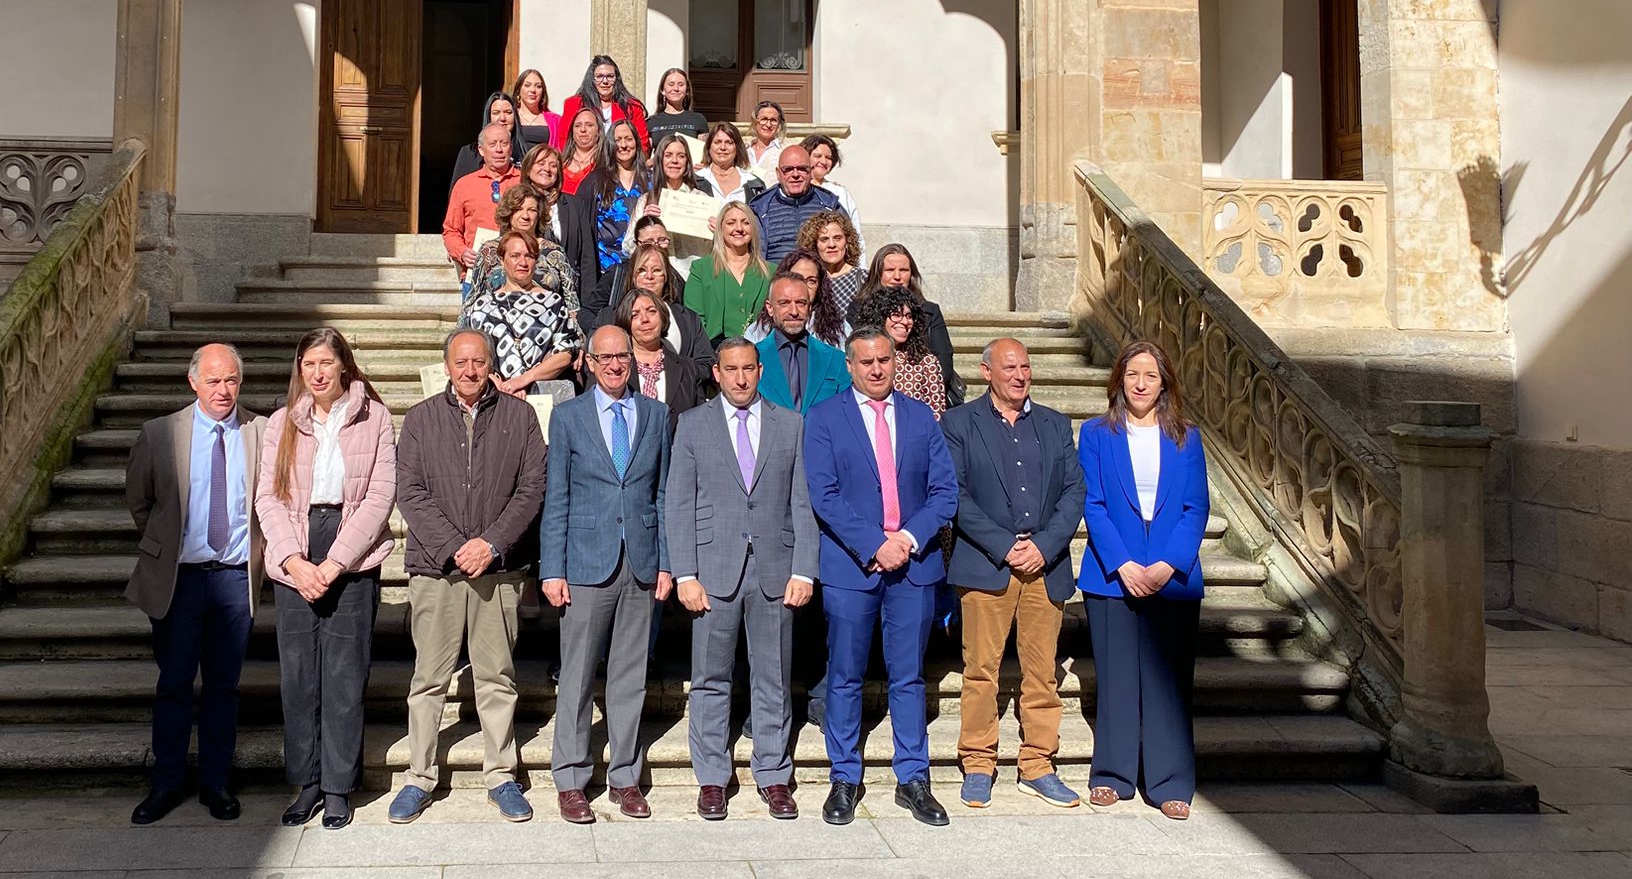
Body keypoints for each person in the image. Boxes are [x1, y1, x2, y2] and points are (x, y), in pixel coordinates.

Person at [387, 329, 547, 825]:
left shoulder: (519, 417)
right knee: (429, 677)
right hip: (437, 569)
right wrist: (456, 547)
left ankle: (501, 774)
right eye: (462, 362)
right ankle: (419, 776)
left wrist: (491, 544)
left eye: (479, 361)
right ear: (448, 366)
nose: (471, 370)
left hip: (498, 571)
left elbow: (532, 487)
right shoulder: (420, 418)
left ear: (491, 363)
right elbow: (409, 491)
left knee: (496, 677)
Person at [803, 326, 959, 827]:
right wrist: (874, 544)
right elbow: (824, 495)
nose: (876, 369)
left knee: (909, 677)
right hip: (853, 567)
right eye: (866, 361)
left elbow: (944, 492)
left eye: (884, 360)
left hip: (913, 568)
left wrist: (907, 541)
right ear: (849, 366)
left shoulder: (919, 417)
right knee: (845, 678)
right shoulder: (826, 418)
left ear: (895, 360)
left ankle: (913, 777)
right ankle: (844, 776)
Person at [666, 338, 817, 821]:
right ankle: (712, 776)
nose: (740, 378)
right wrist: (685, 573)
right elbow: (679, 504)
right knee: (711, 678)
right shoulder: (692, 425)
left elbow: (803, 502)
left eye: (748, 368)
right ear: (717, 373)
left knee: (773, 676)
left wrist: (803, 569)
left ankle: (773, 774)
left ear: (759, 370)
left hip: (775, 568)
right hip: (712, 570)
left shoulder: (790, 425)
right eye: (730, 369)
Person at [255, 328, 396, 830]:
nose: (316, 373)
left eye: (325, 363)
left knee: (343, 673)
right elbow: (267, 498)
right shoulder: (280, 423)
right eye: (308, 364)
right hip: (295, 547)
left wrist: (334, 563)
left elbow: (380, 498)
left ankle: (337, 786)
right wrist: (293, 561)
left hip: (351, 551)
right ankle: (307, 781)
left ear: (343, 367)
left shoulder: (374, 418)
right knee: (298, 675)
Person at [124, 344, 267, 826]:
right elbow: (140, 502)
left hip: (232, 578)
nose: (223, 390)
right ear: (193, 382)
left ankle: (215, 782)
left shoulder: (261, 431)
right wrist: (167, 546)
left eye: (231, 380)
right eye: (213, 381)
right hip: (179, 579)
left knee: (224, 686)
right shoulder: (160, 433)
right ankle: (166, 782)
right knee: (174, 683)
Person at [941, 338, 1086, 810]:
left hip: (1046, 566)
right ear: (986, 373)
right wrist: (1006, 546)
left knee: (1042, 674)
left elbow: (1073, 493)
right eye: (1009, 367)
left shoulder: (1055, 424)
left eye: (1025, 365)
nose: (1020, 375)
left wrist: (1043, 546)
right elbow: (955, 496)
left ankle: (1038, 763)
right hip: (987, 565)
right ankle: (979, 762)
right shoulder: (960, 423)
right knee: (980, 671)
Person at [539, 325, 673, 824]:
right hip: (585, 564)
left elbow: (662, 495)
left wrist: (665, 561)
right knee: (575, 677)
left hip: (640, 563)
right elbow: (558, 498)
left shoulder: (657, 416)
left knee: (629, 677)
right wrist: (552, 569)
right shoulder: (569, 418)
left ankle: (625, 776)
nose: (616, 364)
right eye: (606, 357)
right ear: (590, 363)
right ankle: (571, 778)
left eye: (623, 356)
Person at [1077, 340, 1210, 821]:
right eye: (1132, 374)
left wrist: (1168, 564)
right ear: (1119, 379)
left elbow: (1196, 508)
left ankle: (1169, 780)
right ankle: (1112, 775)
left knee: (1169, 684)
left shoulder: (1186, 437)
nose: (1140, 383)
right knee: (1115, 681)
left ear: (1164, 383)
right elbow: (1093, 504)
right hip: (1114, 576)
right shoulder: (1095, 434)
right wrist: (1125, 564)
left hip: (1172, 577)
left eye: (1150, 376)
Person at [460, 231, 583, 398]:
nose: (523, 262)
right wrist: (497, 383)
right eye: (515, 256)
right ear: (502, 261)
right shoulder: (482, 306)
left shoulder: (553, 302)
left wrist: (523, 380)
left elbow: (566, 353)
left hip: (540, 396)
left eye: (529, 256)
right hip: (493, 395)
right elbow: (472, 353)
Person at [851, 244, 962, 407]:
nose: (897, 276)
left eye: (903, 270)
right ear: (878, 274)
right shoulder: (859, 308)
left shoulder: (929, 311)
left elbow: (943, 357)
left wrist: (925, 382)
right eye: (890, 270)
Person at [599, 242, 714, 376]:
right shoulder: (607, 317)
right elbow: (595, 364)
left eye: (656, 270)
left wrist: (675, 376)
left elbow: (706, 363)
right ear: (633, 276)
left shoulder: (688, 319)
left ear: (665, 276)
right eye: (641, 270)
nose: (649, 276)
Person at [465, 185, 578, 311]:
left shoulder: (555, 252)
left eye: (532, 210)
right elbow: (472, 301)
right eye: (518, 209)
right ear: (508, 212)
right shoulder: (489, 250)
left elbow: (572, 304)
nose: (525, 215)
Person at [754, 272, 850, 416]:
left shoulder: (835, 359)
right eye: (784, 303)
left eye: (801, 303)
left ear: (809, 307)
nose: (794, 312)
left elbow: (846, 412)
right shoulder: (753, 359)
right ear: (770, 308)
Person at [618, 285, 707, 435]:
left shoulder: (687, 368)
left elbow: (698, 420)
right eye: (635, 315)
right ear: (626, 322)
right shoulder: (615, 367)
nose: (645, 319)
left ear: (663, 316)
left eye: (651, 311)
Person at [623, 133, 716, 269]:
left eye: (681, 156)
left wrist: (716, 233)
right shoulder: (646, 201)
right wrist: (643, 225)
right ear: (660, 160)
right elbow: (628, 248)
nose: (674, 161)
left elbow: (714, 250)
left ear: (687, 162)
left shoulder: (702, 199)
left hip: (692, 277)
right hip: (658, 277)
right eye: (668, 155)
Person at [851, 287, 945, 418]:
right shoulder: (859, 357)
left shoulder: (925, 362)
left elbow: (936, 415)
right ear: (878, 318)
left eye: (909, 316)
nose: (905, 322)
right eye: (896, 315)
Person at [443, 122, 523, 276]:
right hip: (476, 273)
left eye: (504, 143)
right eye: (492, 144)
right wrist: (462, 252)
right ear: (481, 149)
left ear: (511, 148)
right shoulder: (464, 185)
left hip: (517, 273)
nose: (499, 149)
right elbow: (451, 231)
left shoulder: (524, 181)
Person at [685, 201, 770, 343]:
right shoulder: (701, 269)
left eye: (746, 223)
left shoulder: (770, 272)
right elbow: (693, 318)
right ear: (720, 229)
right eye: (731, 223)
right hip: (714, 351)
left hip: (759, 350)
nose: (739, 228)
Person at [578, 118, 648, 279]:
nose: (623, 145)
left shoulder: (651, 180)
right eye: (618, 140)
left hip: (644, 269)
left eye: (628, 139)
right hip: (606, 271)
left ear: (636, 143)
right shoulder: (594, 182)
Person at [749, 144, 840, 263]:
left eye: (802, 169)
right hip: (775, 277)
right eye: (788, 169)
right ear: (778, 173)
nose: (795, 175)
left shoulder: (829, 204)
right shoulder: (760, 207)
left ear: (810, 171)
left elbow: (847, 247)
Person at [744, 248, 847, 349]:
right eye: (796, 278)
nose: (803, 286)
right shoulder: (759, 330)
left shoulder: (838, 328)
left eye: (811, 281)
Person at [560, 55, 651, 149]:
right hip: (585, 161)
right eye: (599, 76)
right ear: (591, 80)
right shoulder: (574, 104)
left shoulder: (632, 107)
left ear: (617, 79)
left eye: (610, 76)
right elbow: (564, 139)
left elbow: (643, 143)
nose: (605, 81)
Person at [802, 134, 864, 257]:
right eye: (817, 156)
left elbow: (856, 234)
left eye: (828, 157)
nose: (823, 161)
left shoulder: (840, 193)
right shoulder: (797, 190)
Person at [447, 92, 524, 190]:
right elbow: (457, 193)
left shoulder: (524, 153)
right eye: (496, 113)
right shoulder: (469, 153)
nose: (502, 118)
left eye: (508, 112)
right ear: (488, 116)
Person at [798, 210, 865, 315]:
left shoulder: (864, 279)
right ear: (814, 245)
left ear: (847, 242)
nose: (831, 245)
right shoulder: (807, 280)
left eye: (837, 238)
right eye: (824, 240)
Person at [695, 122, 767, 205]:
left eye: (729, 143)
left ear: (737, 148)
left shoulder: (755, 184)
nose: (723, 147)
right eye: (717, 142)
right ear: (709, 147)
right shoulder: (694, 181)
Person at [646, 67, 709, 143]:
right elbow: (646, 154)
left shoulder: (698, 119)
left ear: (686, 91)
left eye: (681, 85)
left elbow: (703, 152)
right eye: (671, 84)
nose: (676, 88)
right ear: (662, 90)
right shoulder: (651, 122)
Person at [521, 144, 567, 241]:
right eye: (541, 163)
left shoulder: (574, 206)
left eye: (553, 165)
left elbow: (587, 252)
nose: (547, 169)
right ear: (528, 169)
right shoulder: (516, 202)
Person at [512, 68, 562, 154]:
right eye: (527, 85)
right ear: (518, 90)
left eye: (538, 86)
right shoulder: (510, 117)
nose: (533, 90)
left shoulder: (555, 120)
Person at [560, 106, 604, 197]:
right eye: (577, 125)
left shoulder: (607, 164)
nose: (583, 130)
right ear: (572, 132)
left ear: (598, 131)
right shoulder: (559, 163)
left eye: (589, 125)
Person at [747, 100, 785, 173]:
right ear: (755, 122)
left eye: (773, 120)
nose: (768, 125)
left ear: (779, 124)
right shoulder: (745, 150)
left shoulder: (782, 152)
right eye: (764, 119)